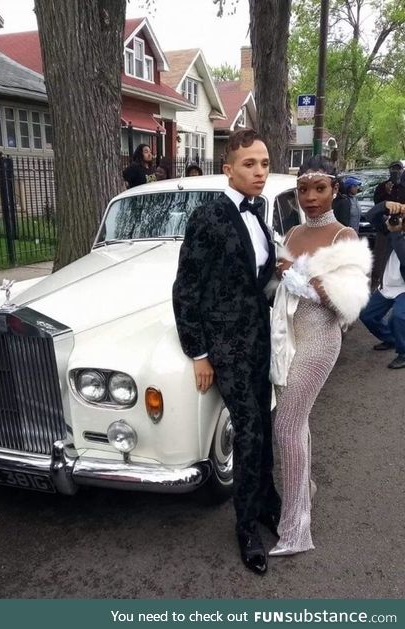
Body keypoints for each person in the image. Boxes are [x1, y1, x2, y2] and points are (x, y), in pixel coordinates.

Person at [173, 128, 281, 576]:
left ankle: (266, 501)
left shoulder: (259, 213)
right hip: (226, 346)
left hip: (259, 338)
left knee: (266, 423)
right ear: (228, 169)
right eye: (249, 165)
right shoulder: (208, 217)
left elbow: (257, 276)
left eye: (264, 164)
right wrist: (198, 352)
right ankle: (246, 527)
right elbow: (186, 288)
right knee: (250, 431)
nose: (259, 172)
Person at [269, 155, 372, 557]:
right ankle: (303, 484)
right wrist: (282, 275)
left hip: (320, 340)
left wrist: (302, 280)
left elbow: (349, 304)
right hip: (287, 337)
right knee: (296, 420)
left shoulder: (342, 235)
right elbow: (276, 287)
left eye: (319, 189)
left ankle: (296, 529)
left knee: (287, 425)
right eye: (303, 189)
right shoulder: (292, 231)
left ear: (334, 189)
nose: (310, 197)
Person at [359, 200, 405, 369]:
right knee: (366, 315)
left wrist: (396, 233)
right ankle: (391, 339)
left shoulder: (395, 233)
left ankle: (404, 352)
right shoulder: (393, 229)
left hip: (403, 289)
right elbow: (372, 216)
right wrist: (385, 205)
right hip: (388, 286)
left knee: (399, 317)